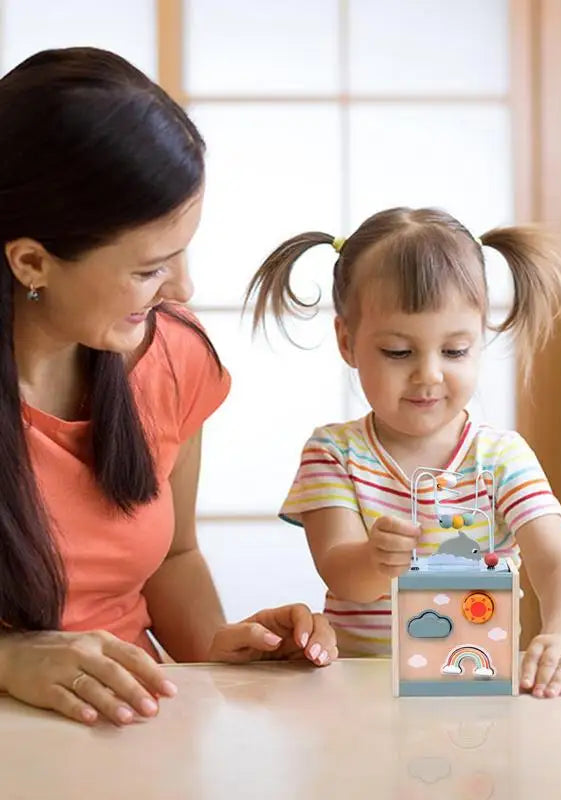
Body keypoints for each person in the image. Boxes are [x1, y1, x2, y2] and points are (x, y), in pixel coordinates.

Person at [0, 47, 336, 728]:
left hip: (135, 735)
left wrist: (219, 648)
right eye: (150, 268)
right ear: (32, 260)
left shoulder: (174, 358)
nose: (183, 290)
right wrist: (14, 660)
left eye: (182, 252)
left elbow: (173, 558)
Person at [246, 206, 561, 699]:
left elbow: (560, 563)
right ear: (347, 341)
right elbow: (342, 575)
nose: (429, 374)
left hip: (474, 688)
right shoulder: (334, 452)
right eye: (398, 352)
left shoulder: (500, 456)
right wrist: (375, 558)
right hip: (359, 695)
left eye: (454, 351)